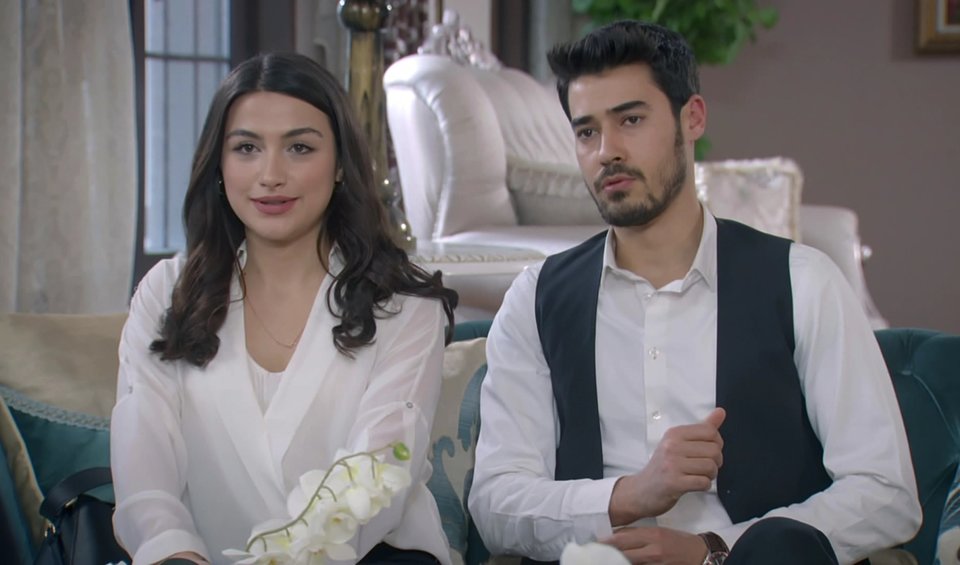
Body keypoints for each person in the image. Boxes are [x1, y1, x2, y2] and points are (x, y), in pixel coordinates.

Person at [467, 21, 920, 565]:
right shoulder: (535, 299)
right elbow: (496, 504)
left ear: (693, 118)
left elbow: (885, 492)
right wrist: (629, 495)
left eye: (631, 120)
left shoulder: (803, 280)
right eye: (587, 132)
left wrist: (715, 551)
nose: (607, 151)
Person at [111, 52, 458, 565]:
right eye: (246, 148)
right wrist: (174, 552)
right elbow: (144, 464)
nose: (270, 175)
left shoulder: (404, 305)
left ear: (340, 165)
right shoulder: (166, 292)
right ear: (218, 164)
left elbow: (382, 471)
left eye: (299, 147)